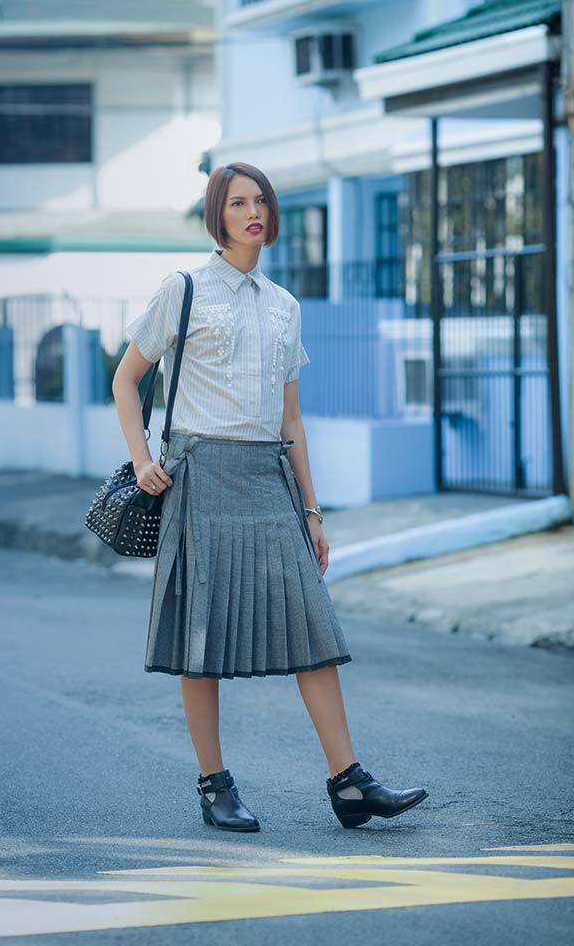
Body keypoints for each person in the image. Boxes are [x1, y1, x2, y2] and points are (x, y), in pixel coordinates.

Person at [112, 161, 429, 832]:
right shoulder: (185, 289)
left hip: (268, 480)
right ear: (217, 216)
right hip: (200, 476)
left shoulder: (285, 305)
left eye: (259, 200)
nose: (252, 211)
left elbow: (292, 422)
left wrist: (312, 512)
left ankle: (348, 783)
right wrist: (143, 460)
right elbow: (126, 379)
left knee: (313, 626)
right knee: (201, 640)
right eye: (237, 202)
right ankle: (213, 785)